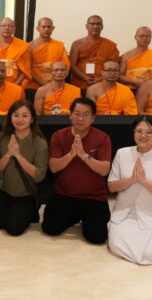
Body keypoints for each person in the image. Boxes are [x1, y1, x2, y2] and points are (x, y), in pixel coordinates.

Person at [106, 117, 152, 264]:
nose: (143, 135)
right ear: (134, 132)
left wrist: (144, 181)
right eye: (139, 131)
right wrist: (132, 179)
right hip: (125, 214)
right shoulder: (122, 153)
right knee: (116, 247)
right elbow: (112, 187)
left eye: (149, 132)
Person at [41, 98, 112, 244]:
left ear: (93, 118)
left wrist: (84, 155)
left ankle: (85, 217)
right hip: (65, 194)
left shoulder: (102, 138)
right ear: (70, 115)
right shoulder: (59, 136)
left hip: (94, 197)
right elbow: (53, 167)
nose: (81, 119)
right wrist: (71, 155)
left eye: (86, 115)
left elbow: (104, 170)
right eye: (77, 114)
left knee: (97, 238)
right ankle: (75, 216)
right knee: (50, 228)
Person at [0, 101, 49, 236]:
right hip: (5, 190)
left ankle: (31, 210)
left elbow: (39, 176)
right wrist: (8, 154)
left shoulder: (40, 143)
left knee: (13, 229)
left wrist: (18, 155)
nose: (20, 119)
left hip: (26, 194)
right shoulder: (2, 138)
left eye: (25, 116)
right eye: (16, 115)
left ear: (32, 119)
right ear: (10, 117)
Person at [68, 15, 120, 89]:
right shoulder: (77, 44)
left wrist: (100, 79)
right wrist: (85, 78)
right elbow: (72, 65)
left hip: (103, 82)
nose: (95, 26)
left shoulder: (110, 45)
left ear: (102, 27)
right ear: (86, 26)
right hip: (80, 82)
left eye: (98, 24)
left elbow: (115, 67)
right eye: (92, 24)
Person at [23, 17, 70, 91]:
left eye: (49, 27)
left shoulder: (59, 46)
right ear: (38, 28)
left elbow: (65, 65)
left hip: (55, 84)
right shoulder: (29, 46)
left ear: (53, 28)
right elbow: (27, 69)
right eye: (43, 27)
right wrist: (43, 83)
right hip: (33, 85)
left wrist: (56, 81)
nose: (46, 29)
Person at [0, 17, 29, 86]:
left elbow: (25, 70)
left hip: (15, 85)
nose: (6, 28)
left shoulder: (23, 45)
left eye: (10, 26)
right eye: (3, 26)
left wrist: (14, 85)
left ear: (14, 29)